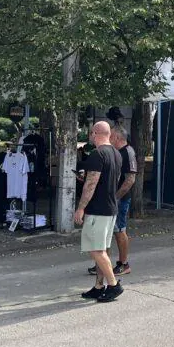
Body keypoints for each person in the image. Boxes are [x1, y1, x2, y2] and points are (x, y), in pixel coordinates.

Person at [76, 122, 124, 302]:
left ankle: (113, 285)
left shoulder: (97, 154)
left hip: (98, 209)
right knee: (102, 249)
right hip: (111, 207)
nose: (90, 136)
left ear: (95, 133)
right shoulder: (116, 154)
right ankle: (98, 286)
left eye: (90, 133)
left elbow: (91, 184)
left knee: (95, 250)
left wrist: (81, 208)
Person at [111, 126, 137, 276]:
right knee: (110, 231)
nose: (108, 139)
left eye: (110, 136)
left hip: (120, 199)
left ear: (117, 137)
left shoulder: (127, 152)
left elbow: (130, 179)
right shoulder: (117, 152)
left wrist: (116, 197)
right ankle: (102, 264)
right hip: (113, 198)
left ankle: (124, 263)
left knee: (120, 230)